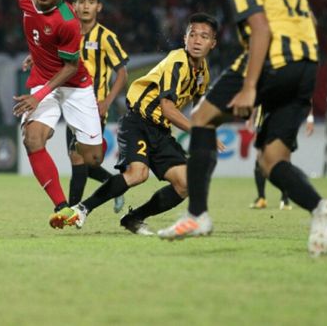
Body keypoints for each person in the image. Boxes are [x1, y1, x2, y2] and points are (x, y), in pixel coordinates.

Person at [158, 0, 327, 257]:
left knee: (202, 119)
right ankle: (320, 208)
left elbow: (260, 27)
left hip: (273, 57)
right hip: (308, 63)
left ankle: (197, 215)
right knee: (271, 161)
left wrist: (251, 86)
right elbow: (308, 21)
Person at [68, 14, 217, 235]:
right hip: (138, 121)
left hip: (161, 130)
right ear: (185, 38)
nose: (197, 41)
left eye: (204, 37)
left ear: (212, 43)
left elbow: (198, 109)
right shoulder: (177, 61)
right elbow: (168, 108)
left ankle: (134, 218)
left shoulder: (203, 72)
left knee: (185, 184)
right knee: (138, 174)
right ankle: (82, 208)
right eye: (192, 35)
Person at [13, 0, 104, 229]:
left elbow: (70, 67)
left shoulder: (68, 21)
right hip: (44, 81)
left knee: (93, 158)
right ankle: (62, 208)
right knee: (33, 138)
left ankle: (86, 143)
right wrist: (35, 54)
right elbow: (36, 33)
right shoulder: (26, 1)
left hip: (75, 86)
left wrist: (37, 96)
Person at [65, 0, 130, 213]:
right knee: (86, 164)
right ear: (74, 6)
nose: (85, 6)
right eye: (81, 1)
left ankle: (71, 212)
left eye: (91, 1)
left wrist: (107, 102)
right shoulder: (68, 33)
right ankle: (115, 185)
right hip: (70, 105)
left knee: (77, 158)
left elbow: (122, 73)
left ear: (99, 7)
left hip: (93, 107)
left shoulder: (106, 37)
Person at [249, 105, 314, 210]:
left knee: (281, 161)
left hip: (284, 123)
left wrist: (310, 118)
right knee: (262, 160)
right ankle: (264, 198)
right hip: (272, 122)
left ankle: (283, 199)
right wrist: (254, 122)